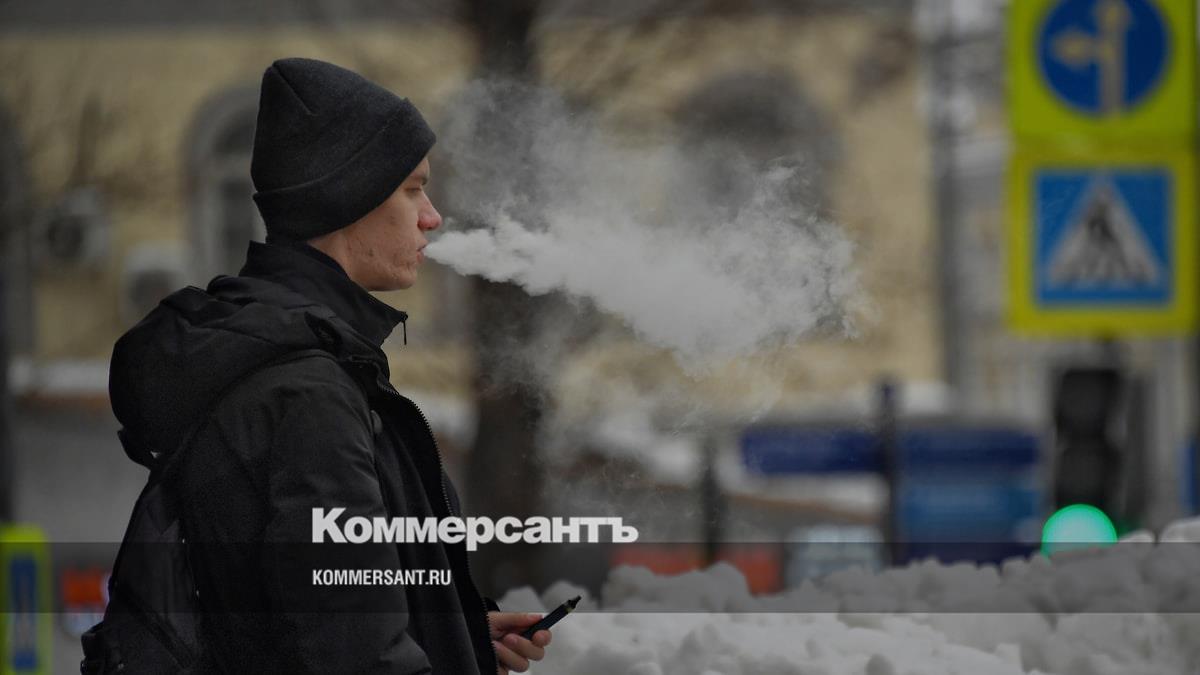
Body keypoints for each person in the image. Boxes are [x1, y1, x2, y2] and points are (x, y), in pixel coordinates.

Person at [106, 57, 551, 673]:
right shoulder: (308, 395)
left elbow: (310, 614)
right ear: (349, 198)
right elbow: (355, 655)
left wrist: (455, 634)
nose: (432, 216)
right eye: (413, 189)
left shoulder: (287, 366)